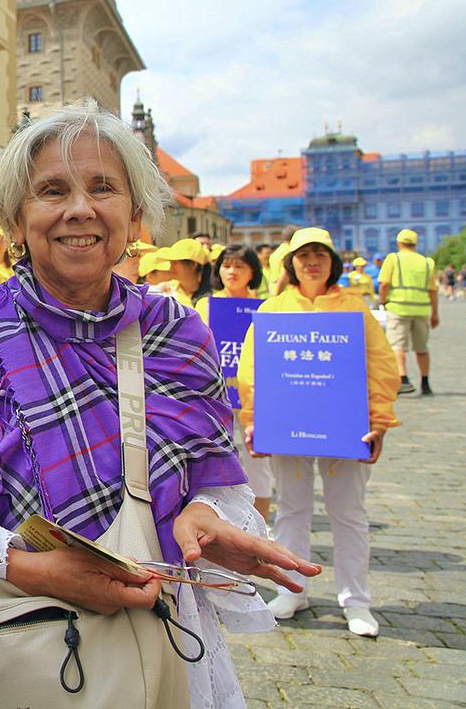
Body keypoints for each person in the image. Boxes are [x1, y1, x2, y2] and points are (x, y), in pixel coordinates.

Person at [0, 102, 319, 709]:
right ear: (16, 222)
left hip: (154, 647)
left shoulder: (176, 333)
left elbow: (209, 476)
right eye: (52, 190)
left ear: (134, 218)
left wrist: (202, 516)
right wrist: (31, 568)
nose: (79, 208)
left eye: (102, 187)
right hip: (8, 656)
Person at [237, 227, 399, 637]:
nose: (311, 261)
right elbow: (251, 370)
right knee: (292, 509)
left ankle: (356, 601)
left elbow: (380, 366)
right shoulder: (274, 308)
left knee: (348, 514)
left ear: (333, 263)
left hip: (347, 431)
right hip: (287, 429)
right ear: (290, 263)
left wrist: (378, 422)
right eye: (303, 254)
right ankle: (291, 589)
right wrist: (254, 420)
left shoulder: (354, 307)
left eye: (320, 255)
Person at [195, 245, 272, 522]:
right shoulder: (205, 305)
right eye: (227, 266)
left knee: (258, 463)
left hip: (255, 395)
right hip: (217, 395)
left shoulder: (267, 307)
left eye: (240, 266)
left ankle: (262, 524)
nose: (232, 272)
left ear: (253, 271)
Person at [378, 229, 439, 396]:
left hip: (398, 308)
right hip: (421, 309)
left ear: (398, 243)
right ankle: (425, 383)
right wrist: (435, 314)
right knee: (422, 348)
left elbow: (384, 284)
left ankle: (403, 379)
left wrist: (382, 301)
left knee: (398, 346)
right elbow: (433, 290)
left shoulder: (393, 258)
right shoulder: (427, 262)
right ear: (415, 244)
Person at [156, 238, 212, 307]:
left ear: (193, 264)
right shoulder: (164, 291)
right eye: (170, 263)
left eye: (175, 263)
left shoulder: (214, 295)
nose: (171, 267)